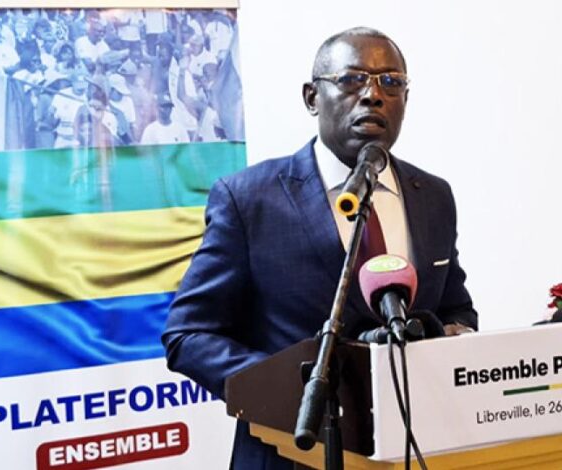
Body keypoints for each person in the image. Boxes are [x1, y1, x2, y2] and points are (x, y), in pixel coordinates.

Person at [162, 27, 477, 469]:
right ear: (312, 97)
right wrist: (290, 390)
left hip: (412, 450)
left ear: (406, 98)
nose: (373, 95)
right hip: (290, 452)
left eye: (391, 82)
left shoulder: (433, 196)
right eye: (351, 80)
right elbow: (189, 335)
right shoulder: (249, 198)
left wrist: (453, 339)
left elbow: (455, 308)